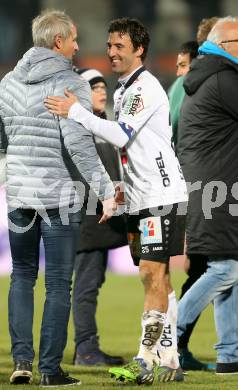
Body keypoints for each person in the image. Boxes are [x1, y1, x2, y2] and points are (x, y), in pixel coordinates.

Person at [45, 17, 188, 385]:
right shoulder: (125, 90)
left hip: (160, 196)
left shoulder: (143, 88)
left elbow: (122, 136)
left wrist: (76, 111)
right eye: (109, 46)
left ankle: (145, 359)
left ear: (139, 49)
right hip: (141, 198)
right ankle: (170, 360)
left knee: (150, 274)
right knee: (160, 278)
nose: (111, 53)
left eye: (119, 46)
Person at [0, 9, 117, 387]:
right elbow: (80, 149)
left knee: (22, 276)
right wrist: (108, 191)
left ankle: (22, 362)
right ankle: (49, 369)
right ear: (58, 41)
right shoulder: (70, 85)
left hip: (19, 197)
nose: (79, 46)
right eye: (74, 39)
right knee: (59, 283)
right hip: (59, 198)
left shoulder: (7, 82)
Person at [176, 16, 238, 375]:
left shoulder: (207, 75)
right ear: (227, 45)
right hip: (218, 187)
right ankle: (166, 332)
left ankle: (230, 354)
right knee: (225, 268)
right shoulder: (223, 78)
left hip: (210, 186)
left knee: (231, 265)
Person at [169, 18, 218, 372]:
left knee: (216, 268)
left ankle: (226, 349)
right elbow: (174, 140)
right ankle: (173, 339)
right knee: (216, 268)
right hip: (206, 189)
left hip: (207, 187)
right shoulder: (189, 86)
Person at [71, 68, 127, 367]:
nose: (102, 91)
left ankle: (87, 347)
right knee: (87, 284)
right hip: (88, 217)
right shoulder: (77, 126)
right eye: (94, 87)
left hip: (108, 216)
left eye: (104, 86)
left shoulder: (103, 125)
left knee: (94, 280)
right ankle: (86, 350)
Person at [168, 41, 199, 148]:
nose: (178, 73)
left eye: (183, 65)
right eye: (178, 66)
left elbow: (172, 123)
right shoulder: (179, 85)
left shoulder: (182, 83)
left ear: (196, 63)